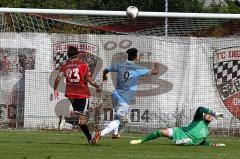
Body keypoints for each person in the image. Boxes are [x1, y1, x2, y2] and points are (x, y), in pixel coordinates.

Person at [91, 48, 160, 144]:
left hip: (115, 95)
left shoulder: (120, 65)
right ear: (135, 56)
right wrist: (157, 65)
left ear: (128, 56)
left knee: (118, 115)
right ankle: (100, 134)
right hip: (125, 98)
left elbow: (106, 69)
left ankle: (115, 133)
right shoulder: (137, 68)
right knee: (119, 119)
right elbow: (155, 72)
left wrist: (104, 76)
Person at [54, 46, 101, 144]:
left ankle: (89, 138)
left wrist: (55, 89)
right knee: (82, 119)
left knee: (81, 119)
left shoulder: (65, 66)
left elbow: (58, 78)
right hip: (82, 93)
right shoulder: (83, 64)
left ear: (68, 55)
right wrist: (97, 86)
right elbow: (89, 79)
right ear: (78, 55)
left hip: (71, 93)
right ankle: (66, 119)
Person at [130, 106, 226, 147]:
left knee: (189, 141)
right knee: (160, 132)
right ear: (204, 115)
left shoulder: (206, 131)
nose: (210, 116)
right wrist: (214, 112)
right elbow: (200, 109)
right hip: (180, 131)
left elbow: (202, 142)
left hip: (189, 140)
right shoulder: (198, 119)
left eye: (212, 116)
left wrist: (213, 145)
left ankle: (183, 142)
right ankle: (141, 141)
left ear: (213, 119)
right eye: (208, 114)